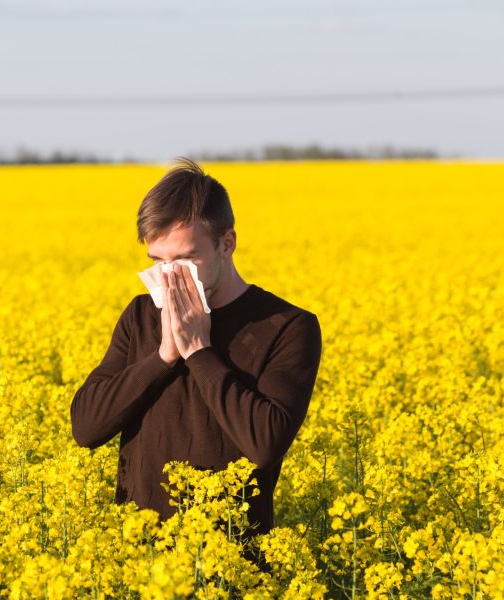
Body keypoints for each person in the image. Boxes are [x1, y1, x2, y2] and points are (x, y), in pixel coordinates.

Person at [70, 156, 322, 568]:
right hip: (139, 561)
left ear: (227, 243)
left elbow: (266, 444)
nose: (168, 276)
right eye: (156, 261)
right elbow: (86, 427)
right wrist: (164, 355)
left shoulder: (287, 327)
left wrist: (199, 352)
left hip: (233, 572)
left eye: (184, 259)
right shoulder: (140, 316)